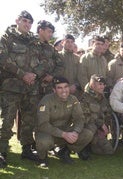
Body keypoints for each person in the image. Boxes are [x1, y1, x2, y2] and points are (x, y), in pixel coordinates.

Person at [0, 10, 41, 168]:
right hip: (11, 87)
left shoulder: (34, 41)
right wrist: (22, 74)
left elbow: (43, 60)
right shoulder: (6, 38)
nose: (27, 24)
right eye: (25, 21)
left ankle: (26, 149)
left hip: (31, 88)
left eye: (30, 22)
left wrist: (33, 75)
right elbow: (3, 59)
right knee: (7, 121)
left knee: (28, 120)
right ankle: (2, 152)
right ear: (17, 21)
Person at [35, 77, 94, 167]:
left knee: (87, 134)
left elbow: (79, 118)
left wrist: (75, 131)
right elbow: (43, 124)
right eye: (59, 88)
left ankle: (64, 151)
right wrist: (63, 134)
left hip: (65, 130)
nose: (64, 90)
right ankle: (42, 158)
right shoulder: (46, 101)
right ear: (54, 90)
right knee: (44, 142)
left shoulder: (73, 99)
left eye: (66, 87)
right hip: (49, 132)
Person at [80, 74, 114, 155]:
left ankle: (93, 145)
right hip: (87, 129)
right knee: (91, 129)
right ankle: (84, 147)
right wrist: (100, 125)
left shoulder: (102, 98)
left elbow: (108, 114)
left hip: (99, 130)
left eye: (103, 84)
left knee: (109, 151)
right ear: (92, 85)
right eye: (100, 84)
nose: (102, 86)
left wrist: (105, 128)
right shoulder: (84, 98)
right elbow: (85, 117)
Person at [36, 20, 64, 96]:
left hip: (47, 88)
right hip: (31, 88)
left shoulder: (51, 48)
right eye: (49, 32)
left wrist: (52, 76)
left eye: (52, 32)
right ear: (41, 30)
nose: (51, 34)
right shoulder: (30, 45)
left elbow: (60, 65)